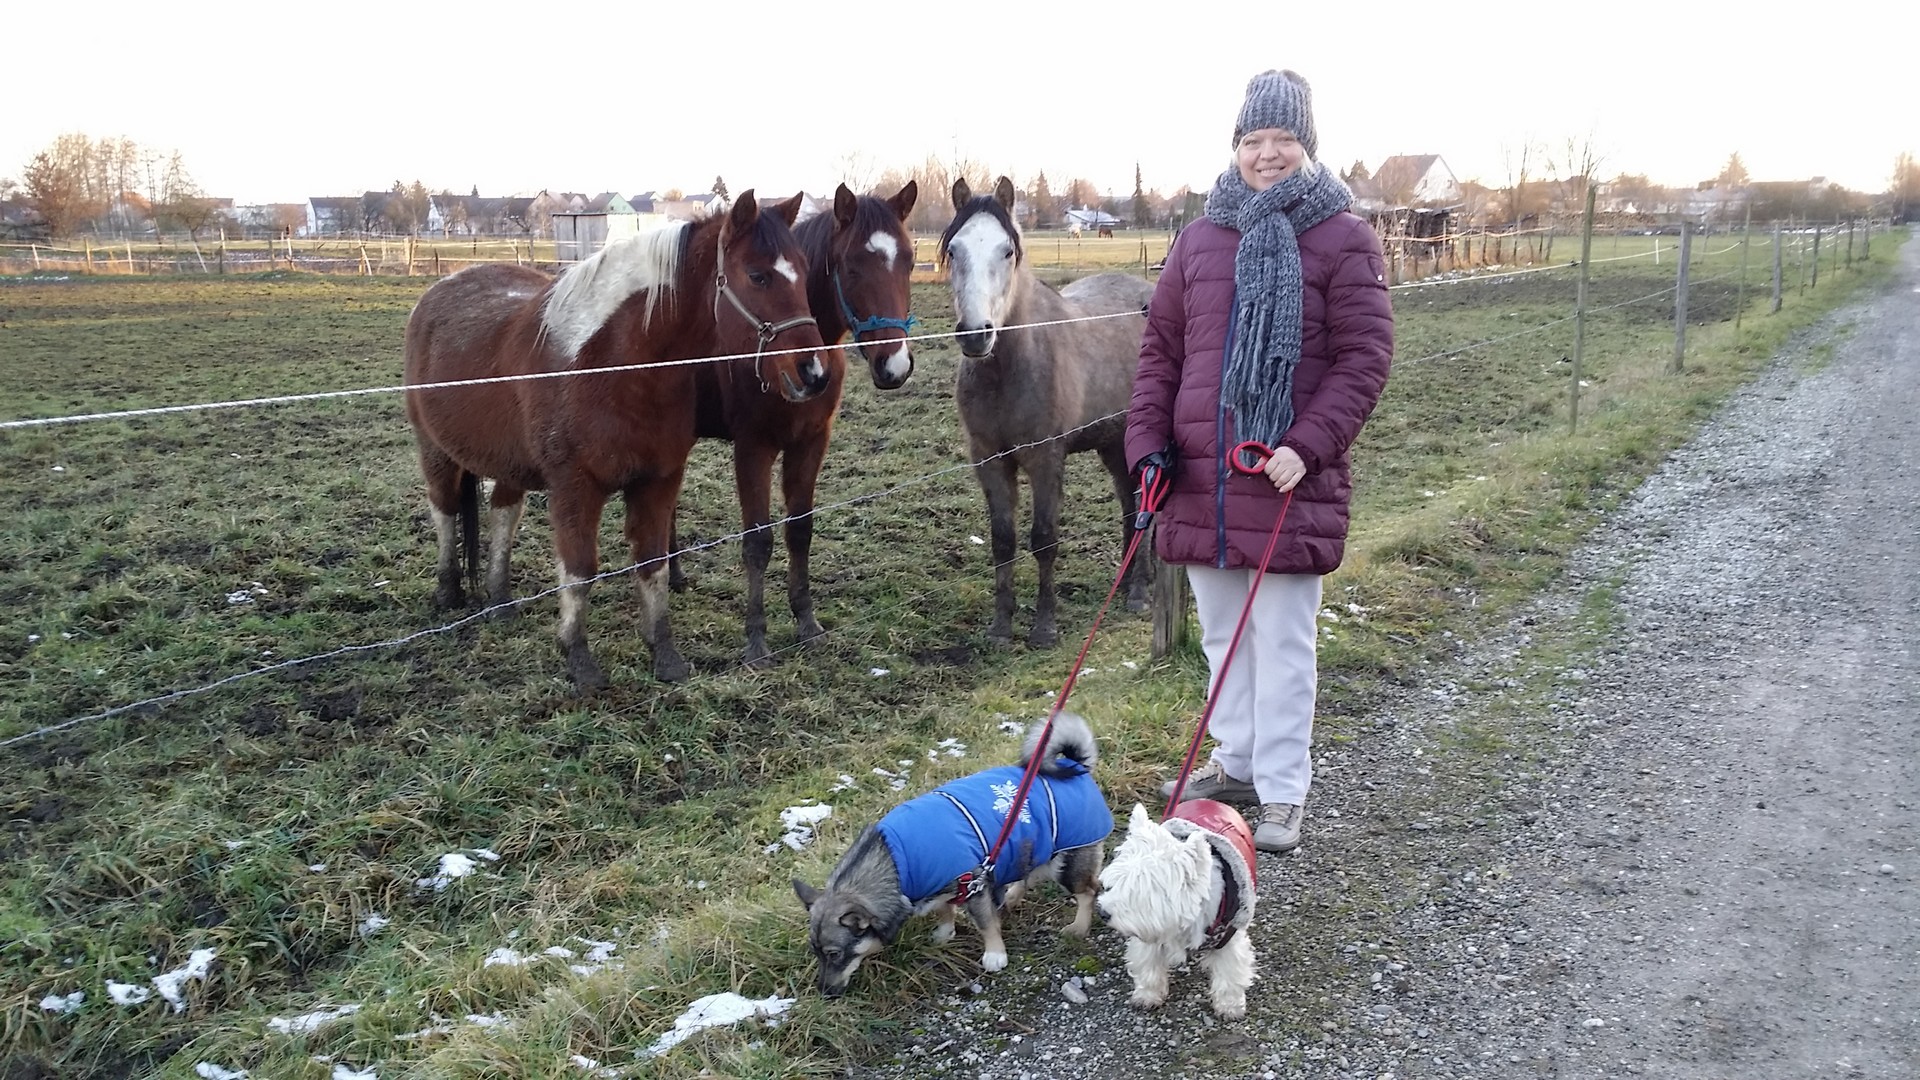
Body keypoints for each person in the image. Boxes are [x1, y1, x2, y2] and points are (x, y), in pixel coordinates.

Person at [1126, 69, 1394, 853]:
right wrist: (1148, 448)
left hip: (1284, 478)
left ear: (1306, 146)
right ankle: (1236, 761)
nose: (1267, 154)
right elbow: (1159, 357)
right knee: (1222, 639)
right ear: (1235, 146)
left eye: (1282, 139)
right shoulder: (1200, 239)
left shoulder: (1344, 237)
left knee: (1281, 641)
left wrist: (1305, 446)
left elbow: (1364, 358)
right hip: (1201, 481)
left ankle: (1282, 791)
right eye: (1253, 140)